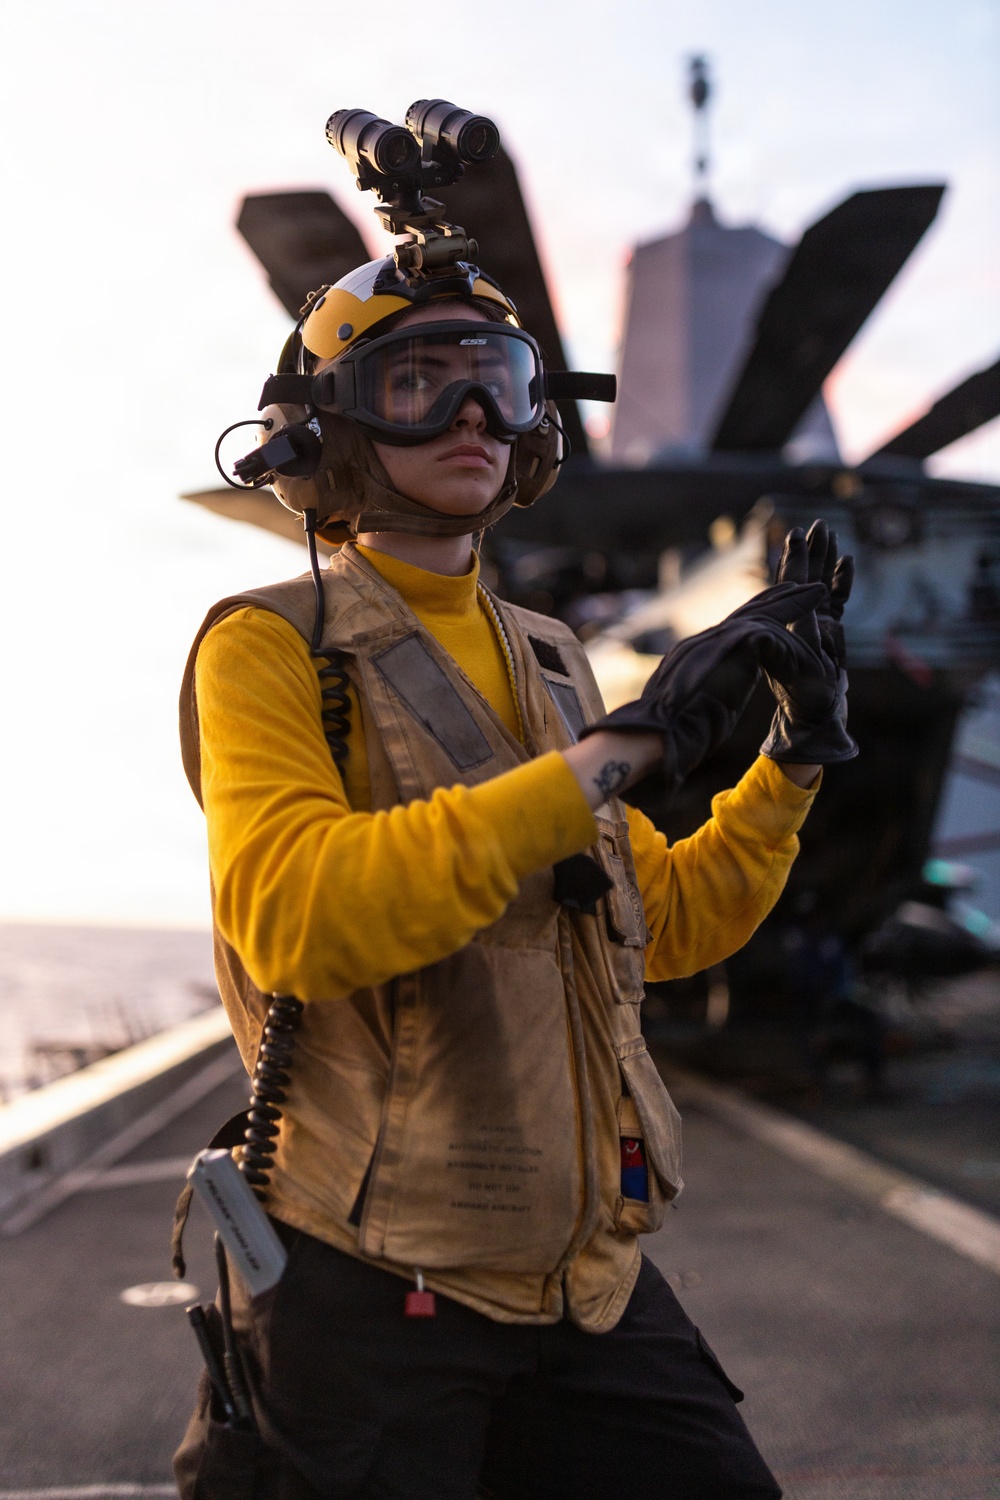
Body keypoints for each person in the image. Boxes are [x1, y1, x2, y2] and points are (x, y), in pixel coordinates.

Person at [175, 252, 855, 1499]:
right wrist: (620, 753)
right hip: (374, 1295)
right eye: (416, 383)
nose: (469, 417)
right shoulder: (268, 645)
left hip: (584, 1279)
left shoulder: (547, 660)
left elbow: (667, 922)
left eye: (494, 381)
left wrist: (791, 761)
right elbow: (296, 920)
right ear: (328, 430)